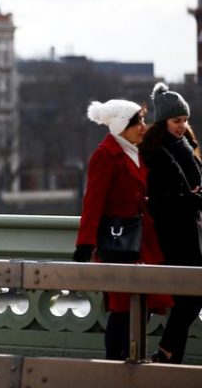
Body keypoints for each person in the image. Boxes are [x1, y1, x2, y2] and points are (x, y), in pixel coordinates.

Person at [73, 99, 172, 360]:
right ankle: (116, 363)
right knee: (122, 308)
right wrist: (85, 244)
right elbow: (92, 202)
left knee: (144, 302)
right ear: (120, 126)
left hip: (141, 240)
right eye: (137, 122)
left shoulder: (135, 151)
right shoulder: (105, 155)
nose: (143, 126)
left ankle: (129, 359)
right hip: (118, 243)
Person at [140, 83, 202, 364]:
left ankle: (169, 358)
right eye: (177, 120)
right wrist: (192, 200)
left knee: (187, 296)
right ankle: (165, 353)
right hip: (171, 235)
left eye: (185, 120)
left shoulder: (185, 146)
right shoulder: (154, 152)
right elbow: (160, 200)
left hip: (189, 231)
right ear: (163, 121)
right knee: (190, 295)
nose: (182, 125)